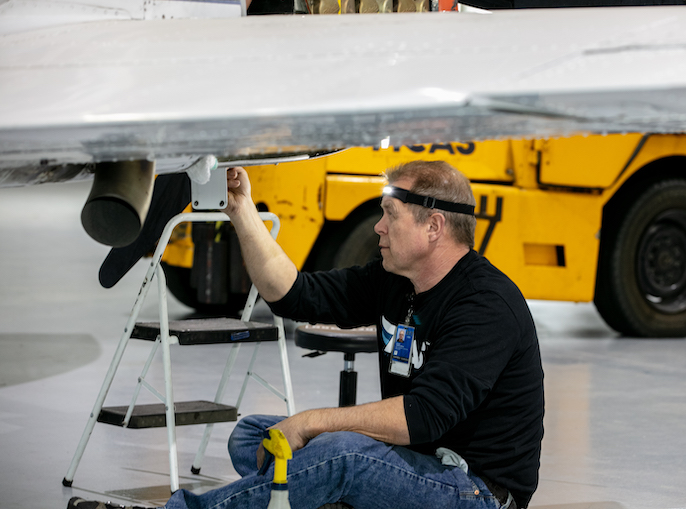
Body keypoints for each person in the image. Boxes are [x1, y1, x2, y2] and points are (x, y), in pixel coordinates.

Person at [69, 160, 544, 509]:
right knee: (252, 435)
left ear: (434, 225)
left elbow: (421, 418)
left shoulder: (487, 304)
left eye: (389, 215)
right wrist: (241, 209)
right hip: (414, 460)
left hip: (475, 490)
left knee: (337, 452)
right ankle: (326, 493)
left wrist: (311, 423)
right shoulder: (395, 280)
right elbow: (293, 293)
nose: (377, 227)